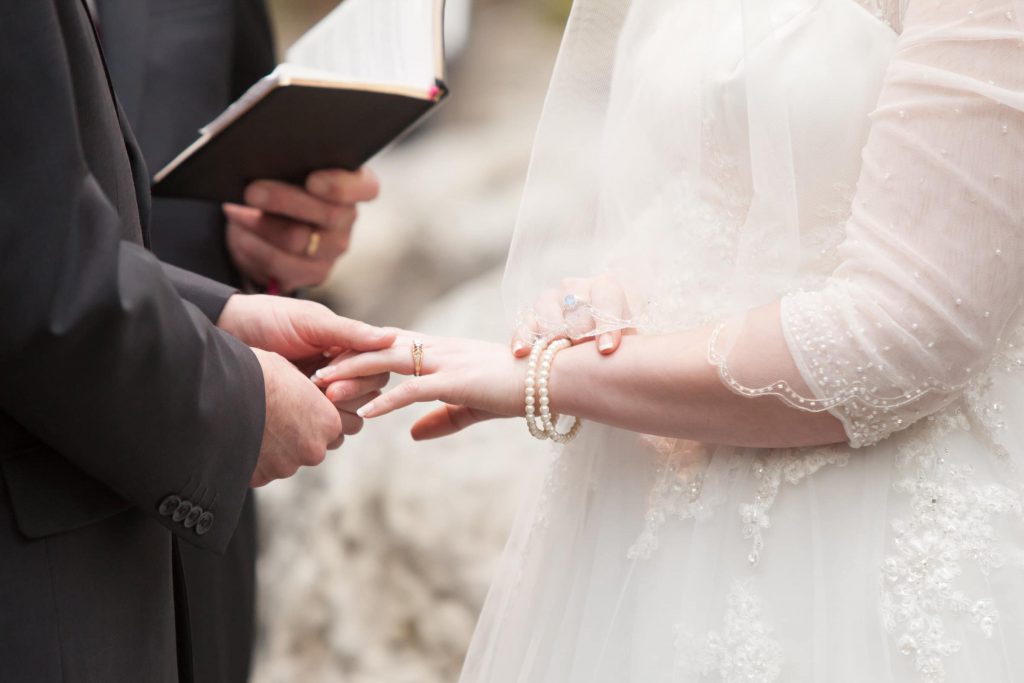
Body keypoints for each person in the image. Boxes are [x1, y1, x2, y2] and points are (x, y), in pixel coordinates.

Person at [317, 0, 1024, 680]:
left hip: (867, 531)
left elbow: (905, 332)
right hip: (648, 518)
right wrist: (613, 290)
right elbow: (709, 175)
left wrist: (550, 379)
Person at [0, 2, 390, 682]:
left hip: (195, 555)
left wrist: (253, 279)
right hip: (37, 578)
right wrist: (236, 401)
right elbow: (33, 259)